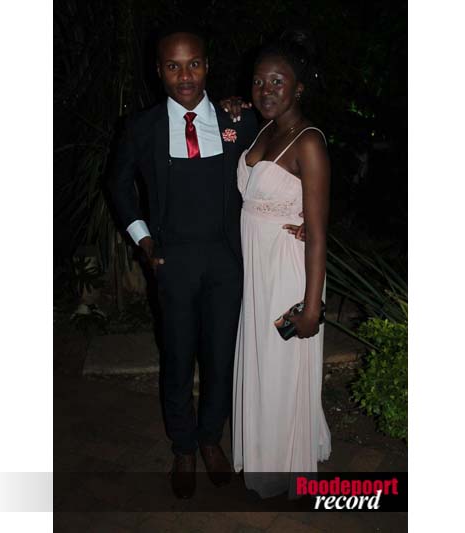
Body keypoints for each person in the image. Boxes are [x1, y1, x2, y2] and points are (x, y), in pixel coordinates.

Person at [108, 27, 262, 500]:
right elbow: (117, 186)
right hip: (172, 261)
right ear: (159, 71)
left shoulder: (238, 118)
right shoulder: (143, 127)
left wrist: (296, 220)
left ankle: (210, 438)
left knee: (220, 355)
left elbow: (280, 161)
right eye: (173, 66)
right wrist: (144, 240)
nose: (185, 76)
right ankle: (183, 446)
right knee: (177, 356)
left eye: (193, 64)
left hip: (226, 260)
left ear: (207, 66)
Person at [231, 30, 332, 498]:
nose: (266, 90)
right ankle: (265, 455)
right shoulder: (265, 129)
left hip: (289, 274)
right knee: (263, 367)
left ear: (298, 87)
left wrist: (311, 307)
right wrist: (231, 111)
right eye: (258, 81)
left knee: (281, 371)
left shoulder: (308, 142)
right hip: (258, 276)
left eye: (277, 81)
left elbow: (318, 233)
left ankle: (287, 466)